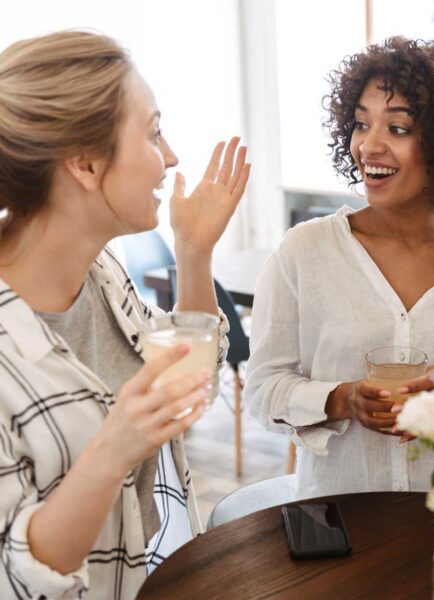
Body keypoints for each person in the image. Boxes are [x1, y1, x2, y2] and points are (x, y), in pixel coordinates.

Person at [245, 37, 434, 501]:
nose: (369, 146)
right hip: (346, 521)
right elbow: (263, 390)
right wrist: (339, 399)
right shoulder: (305, 252)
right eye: (361, 124)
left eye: (399, 129)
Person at [0, 31, 250, 598]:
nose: (171, 157)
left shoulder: (102, 274)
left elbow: (189, 383)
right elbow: (17, 578)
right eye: (154, 132)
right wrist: (113, 448)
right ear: (86, 164)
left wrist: (194, 253)